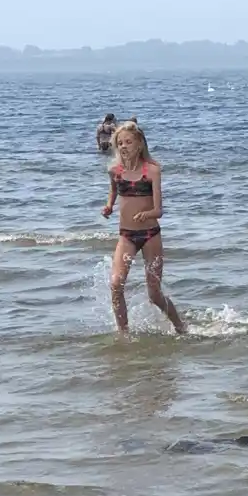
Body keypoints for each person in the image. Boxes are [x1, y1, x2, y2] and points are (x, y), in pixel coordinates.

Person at [99, 120, 187, 336]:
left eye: (128, 142)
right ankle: (124, 334)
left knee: (154, 294)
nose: (124, 146)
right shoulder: (114, 170)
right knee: (116, 284)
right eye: (120, 143)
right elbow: (114, 191)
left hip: (150, 235)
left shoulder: (152, 171)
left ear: (139, 144)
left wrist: (146, 214)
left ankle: (181, 327)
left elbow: (159, 210)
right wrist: (109, 206)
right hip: (126, 236)